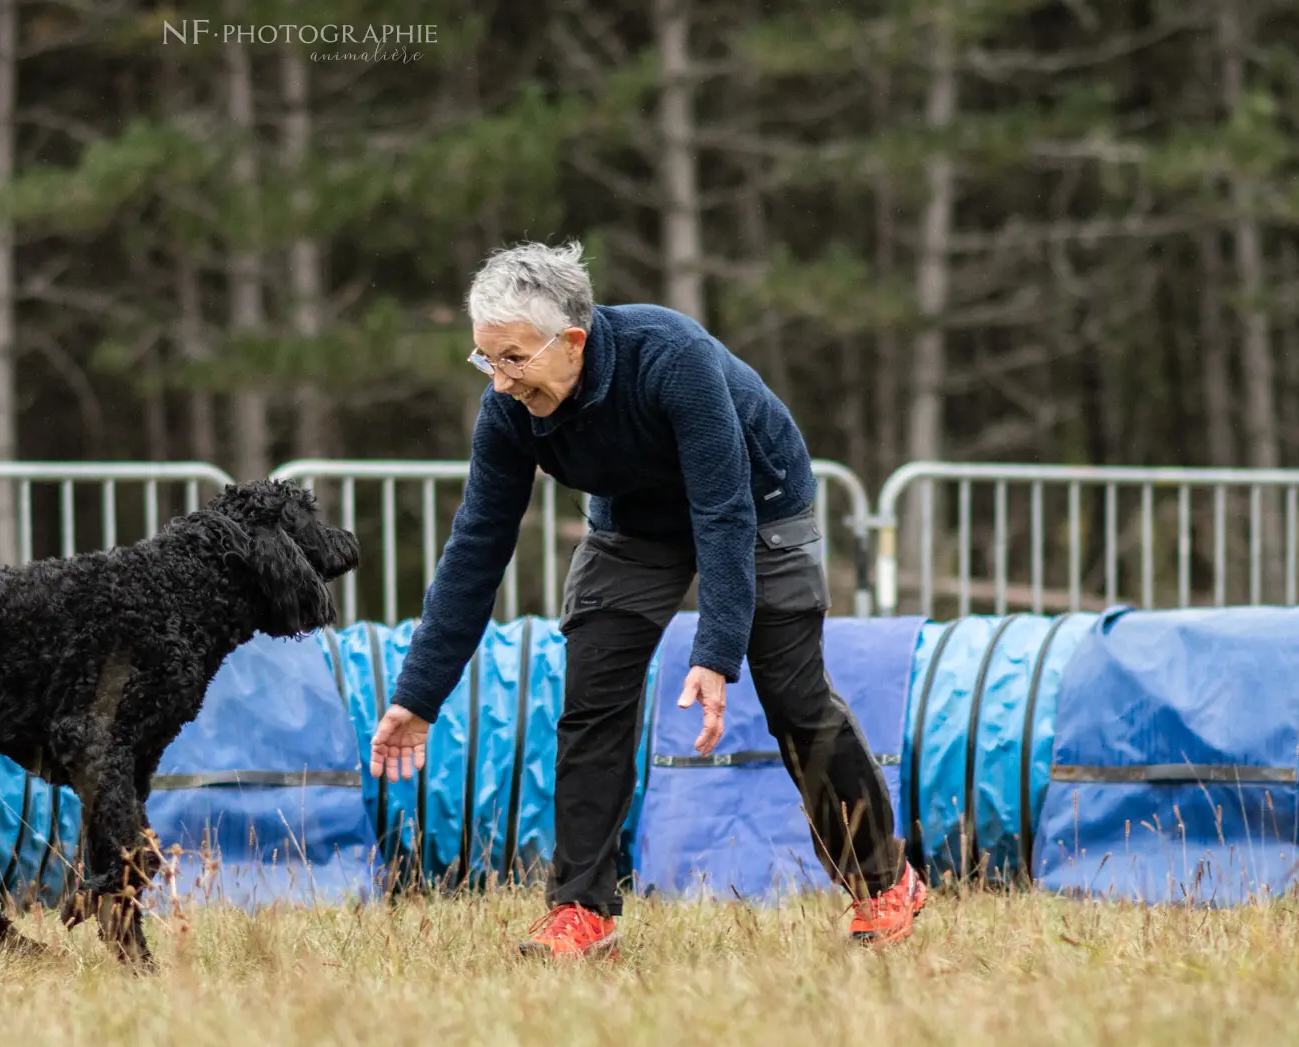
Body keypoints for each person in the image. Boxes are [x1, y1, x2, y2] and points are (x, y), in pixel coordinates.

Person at [368, 241, 927, 959]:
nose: (501, 381)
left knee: (793, 695)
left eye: (513, 358)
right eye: (486, 358)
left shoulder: (670, 356)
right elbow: (475, 548)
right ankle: (582, 908)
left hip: (759, 501)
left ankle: (883, 879)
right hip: (633, 520)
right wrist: (418, 694)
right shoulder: (508, 411)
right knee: (593, 692)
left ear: (572, 341)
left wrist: (715, 653)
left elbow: (724, 510)